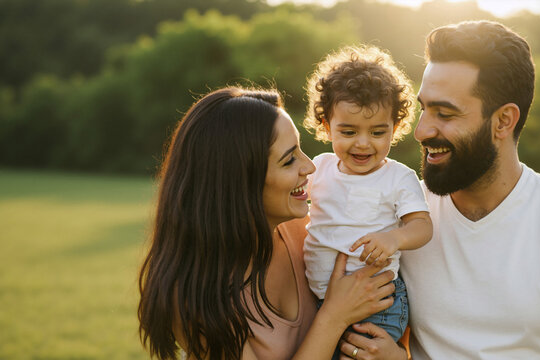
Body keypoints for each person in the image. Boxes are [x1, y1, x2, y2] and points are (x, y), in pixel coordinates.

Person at [340, 21, 540, 360]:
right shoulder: (397, 217)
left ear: (504, 121)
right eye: (423, 108)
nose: (420, 131)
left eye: (444, 113)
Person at [137, 86, 397, 360]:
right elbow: (339, 313)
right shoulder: (197, 299)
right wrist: (333, 317)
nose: (309, 167)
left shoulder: (308, 232)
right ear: (238, 182)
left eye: (300, 149)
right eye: (288, 161)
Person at [302, 45, 433, 351]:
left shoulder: (397, 177)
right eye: (348, 132)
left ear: (395, 128)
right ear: (326, 126)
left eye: (377, 133)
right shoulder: (319, 167)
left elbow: (422, 226)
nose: (363, 144)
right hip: (321, 301)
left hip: (379, 303)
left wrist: (393, 240)